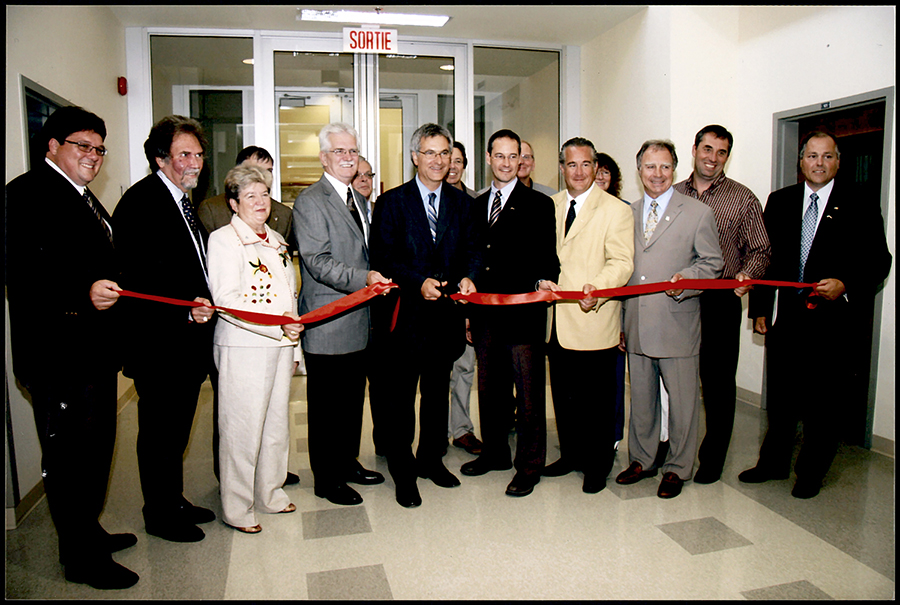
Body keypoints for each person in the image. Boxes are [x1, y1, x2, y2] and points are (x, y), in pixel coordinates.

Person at [6, 106, 138, 590]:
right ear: (52, 146)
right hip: (59, 355)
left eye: (99, 148)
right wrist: (80, 294)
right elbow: (19, 275)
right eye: (82, 145)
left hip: (93, 354)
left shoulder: (84, 198)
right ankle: (81, 558)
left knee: (95, 451)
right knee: (70, 459)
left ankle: (88, 532)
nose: (93, 156)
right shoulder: (25, 195)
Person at [742, 131, 891, 499]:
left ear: (838, 161)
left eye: (827, 157)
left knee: (823, 404)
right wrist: (760, 309)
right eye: (812, 156)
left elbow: (879, 260)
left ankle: (810, 472)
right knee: (781, 400)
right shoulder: (780, 201)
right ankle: (772, 464)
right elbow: (767, 258)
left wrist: (846, 283)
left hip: (832, 323)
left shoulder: (859, 202)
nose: (819, 163)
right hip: (787, 319)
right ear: (801, 161)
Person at [113, 115, 218, 543]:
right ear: (160, 158)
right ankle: (159, 512)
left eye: (198, 154)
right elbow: (138, 281)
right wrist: (183, 311)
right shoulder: (144, 202)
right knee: (159, 433)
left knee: (176, 431)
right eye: (183, 155)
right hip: (160, 346)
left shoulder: (181, 200)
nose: (194, 163)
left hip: (185, 345)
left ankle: (173, 499)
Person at [369, 123, 482, 508]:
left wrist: (469, 276)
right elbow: (383, 258)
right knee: (401, 399)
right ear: (415, 157)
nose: (438, 160)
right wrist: (418, 281)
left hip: (446, 318)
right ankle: (403, 471)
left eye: (444, 153)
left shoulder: (463, 204)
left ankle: (431, 460)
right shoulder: (392, 202)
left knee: (437, 394)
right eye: (429, 153)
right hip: (406, 318)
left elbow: (473, 250)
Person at [615, 139, 723, 499]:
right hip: (637, 323)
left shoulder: (695, 212)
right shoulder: (626, 214)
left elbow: (713, 263)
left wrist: (687, 283)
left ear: (674, 169)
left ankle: (678, 467)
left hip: (677, 322)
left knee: (683, 402)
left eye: (664, 167)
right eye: (650, 166)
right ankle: (642, 460)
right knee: (642, 401)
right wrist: (620, 322)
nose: (657, 174)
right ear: (639, 170)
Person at [460, 129, 559, 498]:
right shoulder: (476, 204)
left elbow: (547, 256)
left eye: (512, 156)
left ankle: (529, 465)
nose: (506, 163)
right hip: (485, 314)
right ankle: (495, 452)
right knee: (490, 390)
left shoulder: (538, 204)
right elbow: (473, 254)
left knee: (529, 394)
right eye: (499, 156)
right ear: (489, 158)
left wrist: (546, 280)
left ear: (521, 160)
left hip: (522, 314)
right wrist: (468, 283)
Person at [293, 123, 387, 507]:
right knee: (327, 408)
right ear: (323, 157)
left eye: (353, 151)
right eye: (340, 152)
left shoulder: (360, 199)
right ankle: (326, 478)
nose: (348, 157)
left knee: (351, 402)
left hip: (360, 322)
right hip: (329, 321)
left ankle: (347, 463)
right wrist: (364, 279)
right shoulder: (311, 201)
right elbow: (318, 262)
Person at [207, 165, 303, 533]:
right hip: (243, 347)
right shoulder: (223, 241)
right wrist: (275, 324)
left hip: (280, 345)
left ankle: (270, 493)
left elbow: (288, 298)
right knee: (242, 430)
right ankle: (237, 506)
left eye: (264, 194)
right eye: (250, 196)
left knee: (276, 426)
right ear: (233, 203)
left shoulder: (277, 241)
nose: (261, 202)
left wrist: (294, 348)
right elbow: (227, 301)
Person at [673, 125, 771, 484]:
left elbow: (761, 249)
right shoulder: (674, 193)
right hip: (679, 299)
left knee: (716, 384)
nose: (713, 158)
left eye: (722, 152)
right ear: (695, 148)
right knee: (678, 379)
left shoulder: (742, 198)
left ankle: (712, 458)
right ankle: (675, 450)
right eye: (708, 149)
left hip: (720, 300)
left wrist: (744, 280)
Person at [538, 138, 633, 494]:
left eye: (585, 164)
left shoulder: (616, 210)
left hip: (594, 319)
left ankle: (597, 465)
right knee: (564, 398)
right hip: (556, 323)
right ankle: (570, 456)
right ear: (562, 168)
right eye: (571, 165)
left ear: (596, 168)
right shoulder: (550, 205)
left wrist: (599, 287)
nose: (578, 171)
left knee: (596, 402)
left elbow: (622, 262)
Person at [444, 140, 483, 455]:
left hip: (466, 301)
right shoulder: (425, 200)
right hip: (433, 300)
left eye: (458, 160)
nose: (452, 166)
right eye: (447, 158)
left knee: (464, 368)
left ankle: (461, 428)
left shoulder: (478, 203)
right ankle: (433, 430)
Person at [594, 151, 628, 448]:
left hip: (616, 308)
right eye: (597, 171)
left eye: (606, 171)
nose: (600, 176)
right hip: (578, 313)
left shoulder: (622, 210)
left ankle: (613, 434)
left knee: (614, 381)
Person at [198, 146, 294, 243]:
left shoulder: (284, 215)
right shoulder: (212, 211)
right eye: (255, 171)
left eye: (268, 171)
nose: (262, 177)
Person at [352, 155, 376, 221]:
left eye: (368, 175)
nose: (364, 179)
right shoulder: (343, 212)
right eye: (357, 175)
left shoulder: (382, 210)